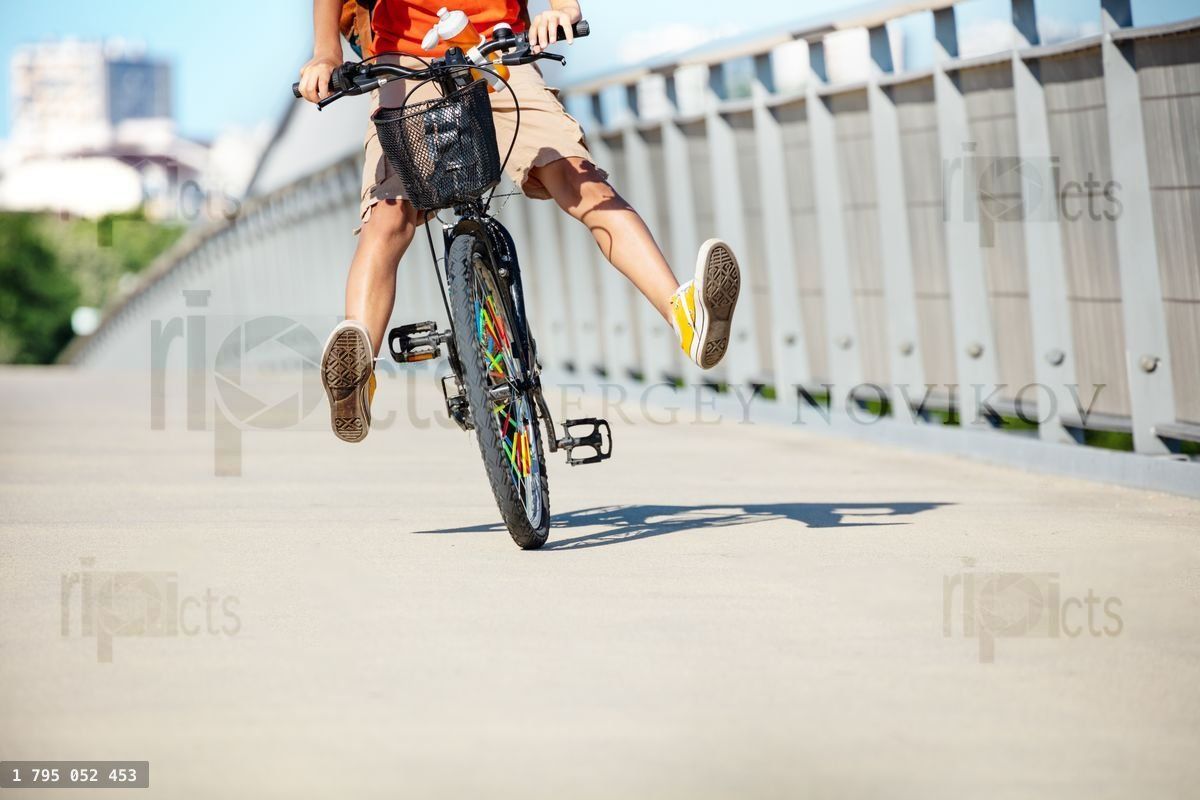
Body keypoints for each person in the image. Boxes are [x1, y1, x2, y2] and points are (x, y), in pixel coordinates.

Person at [297, 0, 742, 443]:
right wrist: (326, 53)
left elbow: (562, 7)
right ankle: (357, 375)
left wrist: (563, 9)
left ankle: (687, 316)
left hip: (498, 52)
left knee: (580, 182)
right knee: (388, 215)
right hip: (403, 63)